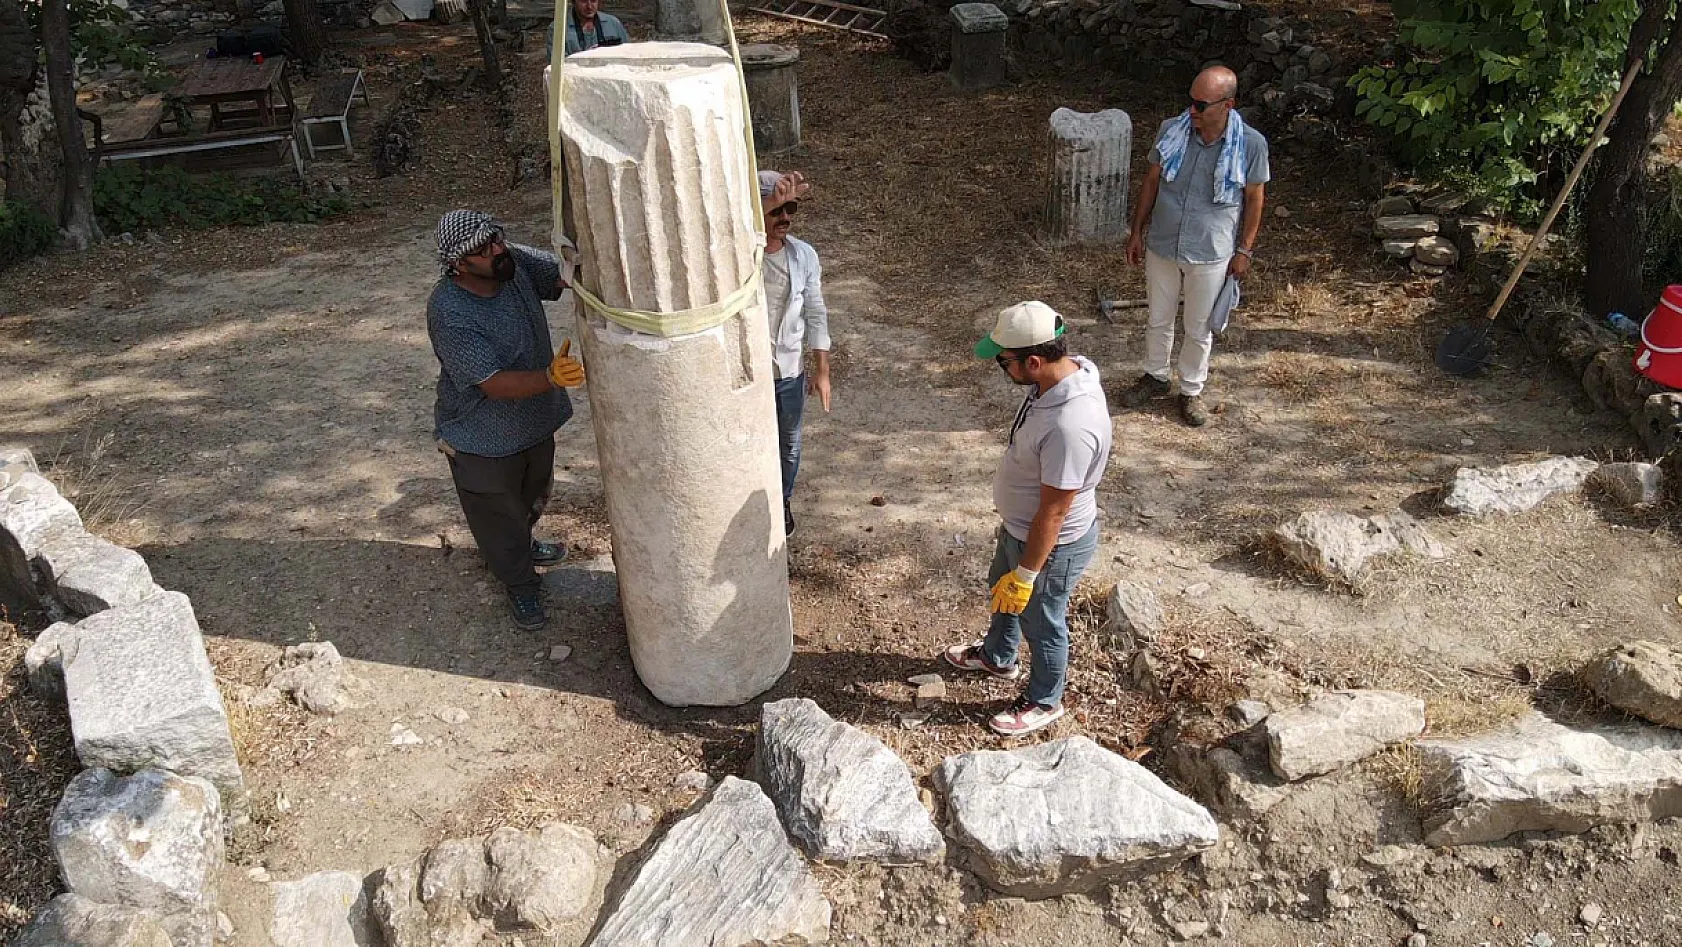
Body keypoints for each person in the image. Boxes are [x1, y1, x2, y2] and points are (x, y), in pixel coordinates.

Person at [943, 302, 1112, 736]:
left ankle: (1044, 699)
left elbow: (1055, 511)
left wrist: (1028, 572)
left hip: (1050, 546)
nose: (1001, 368)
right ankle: (999, 656)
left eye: (1004, 362)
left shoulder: (1071, 425)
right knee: (1000, 590)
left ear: (1034, 361)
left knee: (1042, 620)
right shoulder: (1059, 377)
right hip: (1020, 529)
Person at [427, 210, 587, 631]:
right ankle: (519, 583)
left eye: (497, 238)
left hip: (534, 419)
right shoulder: (449, 311)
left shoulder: (510, 263)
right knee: (496, 512)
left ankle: (521, 545)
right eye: (484, 249)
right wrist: (550, 377)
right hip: (481, 435)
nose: (498, 249)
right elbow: (492, 383)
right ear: (459, 265)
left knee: (533, 494)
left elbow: (559, 276)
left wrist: (579, 253)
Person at [1121, 65, 1270, 428]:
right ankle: (1155, 376)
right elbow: (1152, 180)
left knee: (1199, 326)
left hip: (1210, 250)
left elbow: (1254, 199)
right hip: (1164, 243)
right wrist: (1137, 231)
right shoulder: (1172, 131)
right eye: (1191, 101)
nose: (1192, 111)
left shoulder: (1250, 144)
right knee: (1158, 318)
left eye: (1201, 105)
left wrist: (1245, 250)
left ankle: (1190, 390)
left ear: (1228, 104)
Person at [759, 169, 831, 538]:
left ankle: (782, 500)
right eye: (776, 210)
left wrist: (821, 370)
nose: (785, 217)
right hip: (750, 373)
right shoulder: (741, 256)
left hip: (788, 372)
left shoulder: (803, 255)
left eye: (792, 208)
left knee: (789, 444)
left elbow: (815, 311)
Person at [549, 0, 630, 57]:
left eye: (593, 0)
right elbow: (557, 69)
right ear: (573, 2)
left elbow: (628, 54)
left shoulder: (613, 23)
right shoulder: (557, 29)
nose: (589, 6)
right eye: (583, 1)